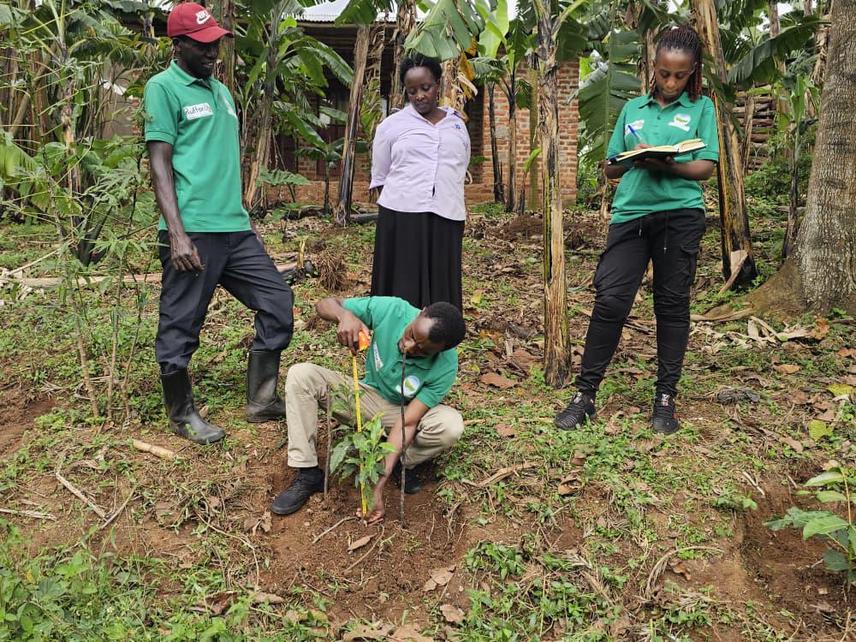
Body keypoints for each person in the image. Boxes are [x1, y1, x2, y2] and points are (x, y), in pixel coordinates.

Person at [554, 25, 719, 435]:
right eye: (664, 73)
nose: (670, 82)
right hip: (631, 215)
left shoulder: (702, 109)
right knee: (610, 299)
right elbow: (610, 167)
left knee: (671, 303)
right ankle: (585, 395)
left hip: (679, 215)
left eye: (679, 75)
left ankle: (665, 399)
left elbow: (706, 168)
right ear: (654, 67)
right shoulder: (633, 109)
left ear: (692, 71)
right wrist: (633, 157)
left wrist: (668, 164)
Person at [144, 3, 294, 444]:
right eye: (204, 45)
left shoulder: (223, 93)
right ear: (179, 45)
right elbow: (160, 166)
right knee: (181, 322)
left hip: (235, 228)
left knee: (277, 300)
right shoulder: (164, 88)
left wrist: (242, 220)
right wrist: (177, 235)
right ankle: (181, 413)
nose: (213, 53)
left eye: (217, 44)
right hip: (192, 232)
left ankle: (261, 398)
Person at [271, 296, 466, 524]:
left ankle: (401, 462)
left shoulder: (446, 365)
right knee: (301, 375)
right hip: (366, 397)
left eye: (422, 350)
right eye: (412, 335)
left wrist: (377, 486)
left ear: (440, 351)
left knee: (449, 425)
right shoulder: (392, 310)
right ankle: (307, 472)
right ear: (420, 313)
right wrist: (345, 316)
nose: (409, 346)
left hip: (403, 412)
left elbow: (408, 422)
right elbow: (324, 304)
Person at [369, 55, 470, 312]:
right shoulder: (391, 126)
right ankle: (397, 335)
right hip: (402, 217)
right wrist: (404, 208)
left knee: (441, 288)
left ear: (438, 85)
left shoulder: (457, 125)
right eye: (412, 91)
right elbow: (381, 176)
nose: (419, 96)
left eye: (425, 88)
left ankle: (438, 339)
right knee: (402, 285)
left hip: (446, 215)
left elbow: (459, 168)